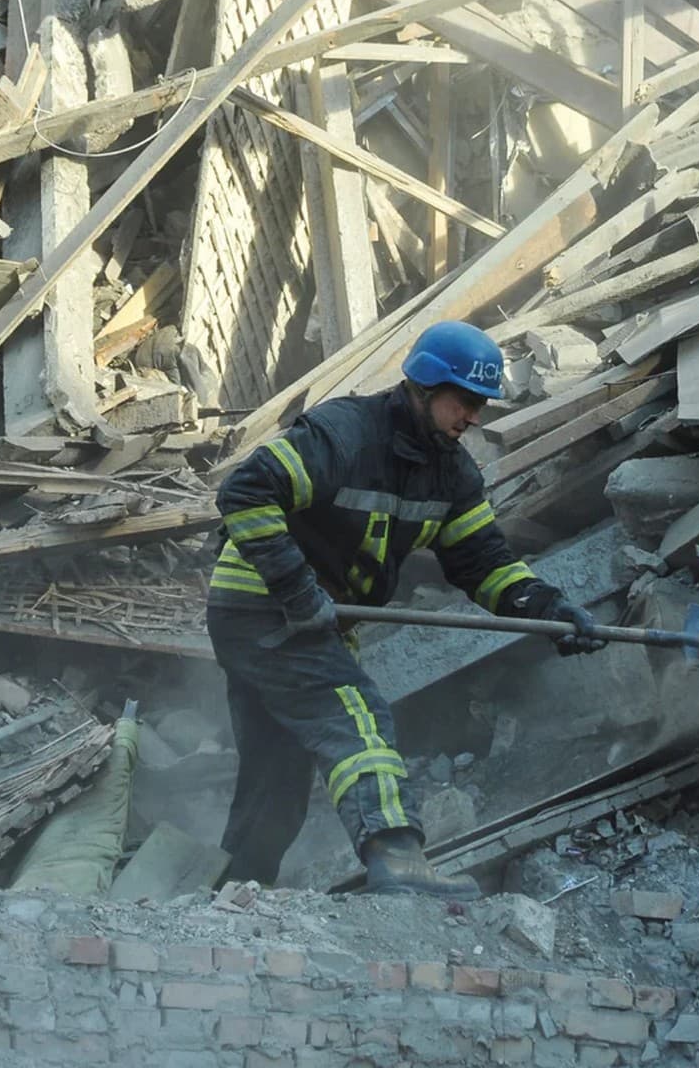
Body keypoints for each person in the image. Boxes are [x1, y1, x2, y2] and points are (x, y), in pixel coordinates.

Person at [208, 320, 606, 898]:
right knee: (356, 716)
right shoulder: (344, 434)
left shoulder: (452, 474)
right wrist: (299, 593)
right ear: (422, 386)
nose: (471, 417)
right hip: (262, 606)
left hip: (311, 616)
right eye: (462, 402)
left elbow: (482, 563)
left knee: (280, 765)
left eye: (480, 406)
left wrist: (549, 608)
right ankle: (397, 857)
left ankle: (239, 886)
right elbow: (244, 492)